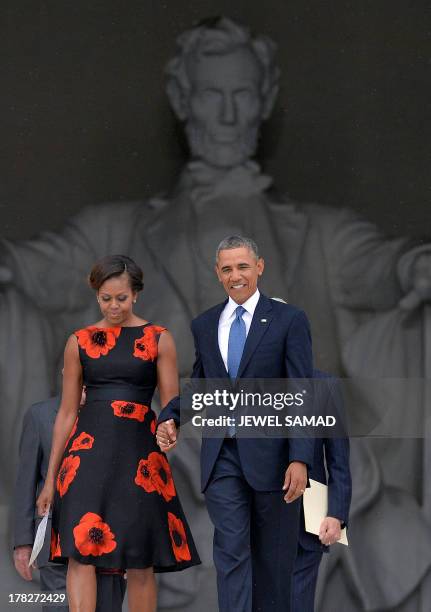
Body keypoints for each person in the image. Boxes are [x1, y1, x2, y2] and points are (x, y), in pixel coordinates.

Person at [1, 16, 431, 611]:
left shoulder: (323, 235)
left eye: (243, 94)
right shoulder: (116, 229)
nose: (228, 114)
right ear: (183, 99)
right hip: (176, 462)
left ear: (265, 101)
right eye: (211, 94)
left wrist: (414, 269)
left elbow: (387, 264)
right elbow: (37, 268)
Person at [157, 235, 314, 612]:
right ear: (217, 273)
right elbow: (202, 384)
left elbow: (302, 390)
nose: (236, 275)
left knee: (274, 564)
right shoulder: (205, 324)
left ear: (259, 267)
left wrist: (300, 458)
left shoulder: (289, 320)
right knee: (231, 552)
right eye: (227, 269)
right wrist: (171, 417)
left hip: (275, 459)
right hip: (223, 456)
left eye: (243, 266)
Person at [35, 254, 200, 612]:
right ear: (96, 295)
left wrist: (171, 428)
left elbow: (172, 404)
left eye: (121, 298)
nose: (113, 306)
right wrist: (50, 480)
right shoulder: (78, 341)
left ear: (136, 295)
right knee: (81, 554)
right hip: (85, 460)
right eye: (105, 298)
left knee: (140, 559)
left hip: (140, 458)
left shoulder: (159, 338)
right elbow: (65, 415)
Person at [13, 390, 127, 612]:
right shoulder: (40, 414)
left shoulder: (116, 413)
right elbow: (26, 479)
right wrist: (23, 543)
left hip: (107, 540)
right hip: (54, 536)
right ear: (66, 373)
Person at [292, 369, 352, 612]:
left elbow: (338, 459)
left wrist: (336, 513)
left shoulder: (324, 385)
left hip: (307, 520)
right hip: (257, 522)